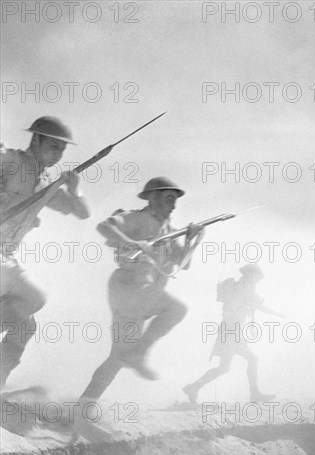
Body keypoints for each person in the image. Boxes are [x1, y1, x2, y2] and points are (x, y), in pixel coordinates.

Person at [79, 177, 205, 400]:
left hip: (145, 294)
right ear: (153, 198)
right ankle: (140, 352)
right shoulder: (138, 218)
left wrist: (191, 241)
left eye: (175, 200)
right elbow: (105, 226)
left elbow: (183, 265)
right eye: (168, 199)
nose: (174, 205)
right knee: (176, 309)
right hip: (130, 288)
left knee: (117, 358)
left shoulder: (169, 230)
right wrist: (131, 244)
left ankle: (82, 409)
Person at [0, 117, 90, 390]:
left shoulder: (46, 184)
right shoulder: (11, 160)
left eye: (62, 150)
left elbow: (83, 213)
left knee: (29, 314)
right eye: (53, 146)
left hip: (6, 256)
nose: (58, 154)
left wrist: (75, 189)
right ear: (35, 140)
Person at [183, 263, 285, 405]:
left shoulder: (240, 286)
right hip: (231, 332)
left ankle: (194, 388)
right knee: (228, 366)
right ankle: (193, 387)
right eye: (257, 277)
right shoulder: (246, 289)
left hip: (231, 331)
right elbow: (260, 306)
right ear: (250, 276)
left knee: (247, 361)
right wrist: (278, 314)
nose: (258, 281)